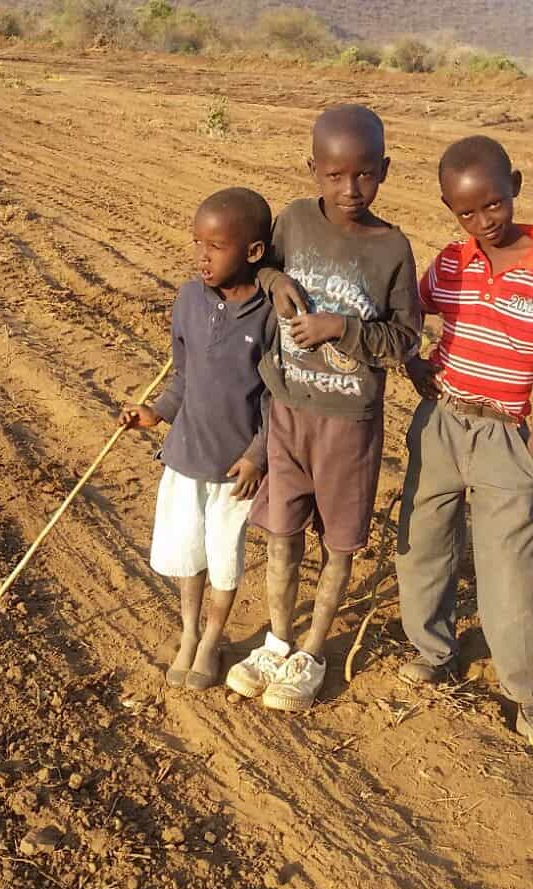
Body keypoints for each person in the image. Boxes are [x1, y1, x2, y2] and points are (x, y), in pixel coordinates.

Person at [225, 104, 422, 711]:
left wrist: (343, 327)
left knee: (339, 544)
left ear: (384, 170)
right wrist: (271, 281)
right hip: (287, 414)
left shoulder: (392, 249)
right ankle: (277, 642)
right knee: (281, 536)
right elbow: (259, 267)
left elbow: (405, 340)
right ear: (313, 169)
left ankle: (312, 653)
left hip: (348, 426)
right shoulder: (294, 222)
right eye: (334, 175)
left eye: (364, 174)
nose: (350, 188)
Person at [396, 135, 533, 742]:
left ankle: (527, 691)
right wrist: (414, 363)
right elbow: (411, 313)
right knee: (422, 541)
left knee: (508, 569)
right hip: (441, 419)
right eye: (466, 212)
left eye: (493, 205)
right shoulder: (450, 261)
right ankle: (433, 651)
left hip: (505, 433)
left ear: (515, 186)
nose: (483, 222)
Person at [120, 187, 276, 690]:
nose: (202, 257)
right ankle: (188, 633)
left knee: (224, 556)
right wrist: (155, 413)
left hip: (234, 471)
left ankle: (213, 638)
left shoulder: (270, 315)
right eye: (197, 244)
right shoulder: (189, 298)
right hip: (186, 456)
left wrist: (257, 455)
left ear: (253, 253)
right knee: (189, 552)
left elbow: (277, 399)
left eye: (216, 246)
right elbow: (183, 378)